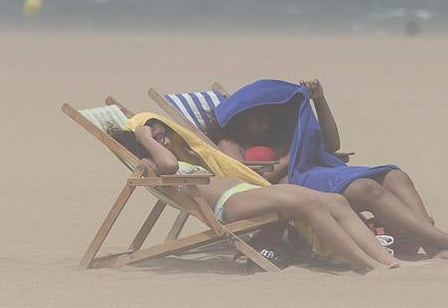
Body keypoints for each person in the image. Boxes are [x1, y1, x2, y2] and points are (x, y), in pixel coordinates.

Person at [215, 78, 448, 260]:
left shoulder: (276, 136)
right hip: (291, 187)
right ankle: (441, 239)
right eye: (259, 121)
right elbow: (247, 181)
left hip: (315, 171)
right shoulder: (229, 144)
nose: (266, 126)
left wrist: (319, 101)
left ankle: (433, 249)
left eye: (268, 120)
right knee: (367, 189)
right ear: (240, 120)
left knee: (395, 175)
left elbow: (331, 144)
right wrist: (292, 155)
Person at [114, 117, 398, 273]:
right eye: (158, 137)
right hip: (230, 204)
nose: (164, 140)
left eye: (164, 134)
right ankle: (363, 264)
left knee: (335, 200)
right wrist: (146, 139)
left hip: (246, 192)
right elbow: (168, 167)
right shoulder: (150, 163)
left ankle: (382, 258)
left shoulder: (178, 156)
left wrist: (157, 140)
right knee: (309, 203)